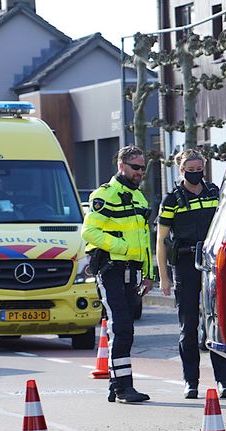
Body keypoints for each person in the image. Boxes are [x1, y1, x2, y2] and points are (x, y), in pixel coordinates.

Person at [156, 148, 226, 399]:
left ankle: (224, 380)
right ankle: (191, 381)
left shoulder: (214, 193)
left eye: (200, 170)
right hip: (186, 264)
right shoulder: (172, 200)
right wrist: (164, 277)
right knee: (188, 326)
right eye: (191, 171)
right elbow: (162, 239)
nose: (196, 174)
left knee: (218, 322)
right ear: (181, 171)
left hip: (212, 263)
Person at [82, 146, 154, 403]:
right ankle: (123, 387)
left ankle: (117, 385)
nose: (140, 173)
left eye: (143, 168)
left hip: (132, 272)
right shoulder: (104, 195)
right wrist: (120, 247)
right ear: (121, 165)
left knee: (126, 329)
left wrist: (149, 273)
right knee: (121, 328)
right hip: (112, 269)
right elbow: (89, 233)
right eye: (136, 167)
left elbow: (145, 240)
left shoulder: (139, 198)